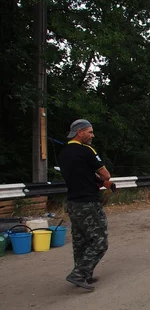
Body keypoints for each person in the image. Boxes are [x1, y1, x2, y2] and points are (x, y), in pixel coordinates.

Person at [58, 119, 114, 291]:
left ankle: (84, 275)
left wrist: (94, 180)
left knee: (80, 241)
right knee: (100, 241)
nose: (92, 135)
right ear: (79, 132)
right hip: (88, 202)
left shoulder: (63, 153)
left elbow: (80, 174)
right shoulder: (87, 150)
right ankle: (79, 273)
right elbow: (105, 174)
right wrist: (104, 182)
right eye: (89, 132)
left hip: (73, 203)